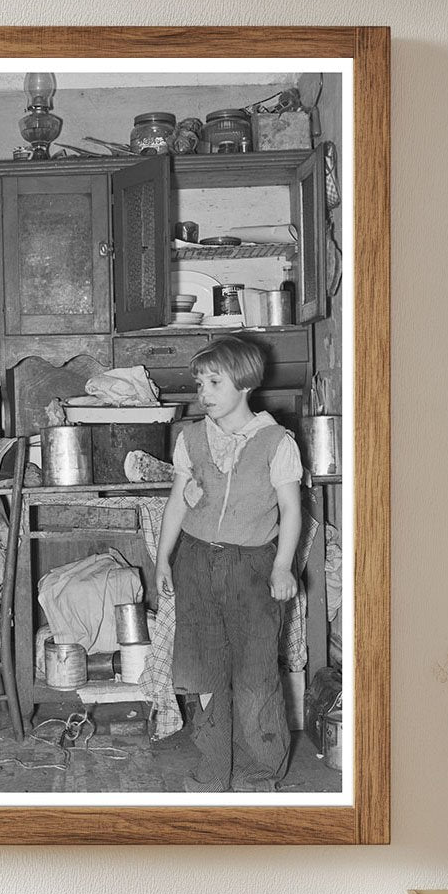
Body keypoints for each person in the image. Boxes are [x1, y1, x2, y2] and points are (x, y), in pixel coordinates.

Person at [155, 336, 303, 792]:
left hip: (254, 569)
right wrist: (163, 560)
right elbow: (177, 504)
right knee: (204, 674)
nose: (204, 393)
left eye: (214, 382)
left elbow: (293, 512)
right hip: (196, 565)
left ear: (244, 383)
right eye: (199, 383)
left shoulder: (276, 441)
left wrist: (282, 567)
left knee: (256, 677)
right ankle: (214, 769)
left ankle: (260, 774)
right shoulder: (192, 438)